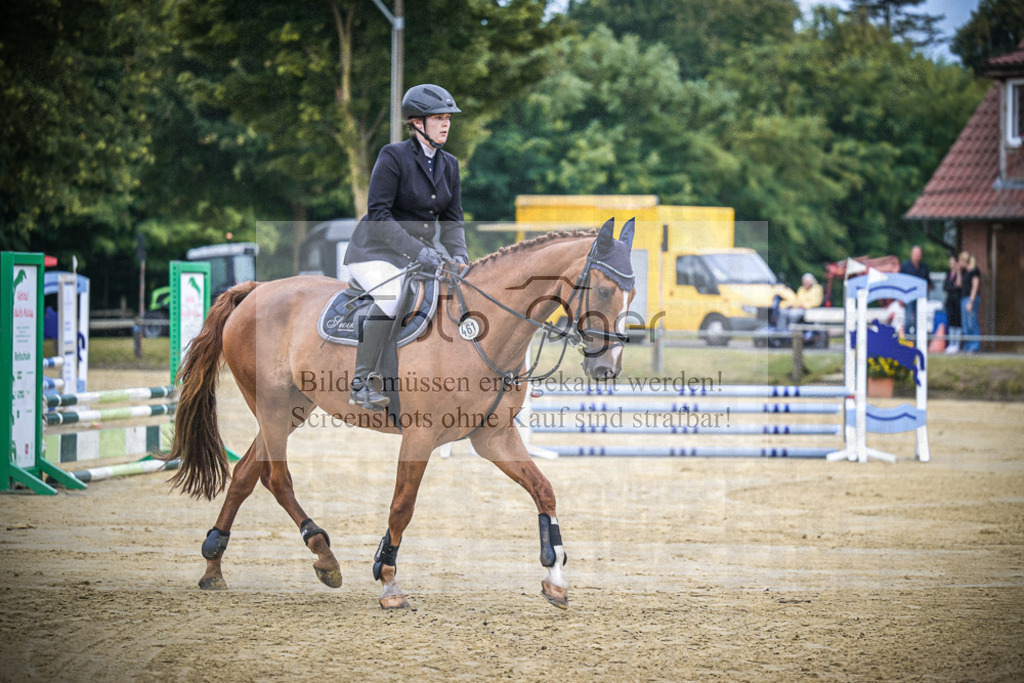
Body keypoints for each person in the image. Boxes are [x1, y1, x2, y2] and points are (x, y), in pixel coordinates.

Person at [342, 84, 470, 410]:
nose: (446, 124)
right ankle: (361, 383)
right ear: (416, 123)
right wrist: (420, 252)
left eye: (448, 119)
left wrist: (459, 256)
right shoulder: (393, 156)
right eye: (438, 118)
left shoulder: (449, 165)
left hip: (418, 257)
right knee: (392, 297)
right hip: (374, 251)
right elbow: (379, 214)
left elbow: (453, 221)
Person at [899, 245, 930, 334]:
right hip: (908, 297)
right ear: (912, 254)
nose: (918, 256)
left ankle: (917, 342)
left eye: (919, 254)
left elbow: (928, 283)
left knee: (919, 321)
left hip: (920, 298)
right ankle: (907, 341)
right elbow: (900, 282)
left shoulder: (924, 267)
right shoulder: (905, 266)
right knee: (908, 320)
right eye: (916, 254)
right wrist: (900, 298)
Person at [959, 251, 981, 353]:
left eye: (960, 260)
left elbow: (975, 286)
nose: (959, 262)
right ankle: (968, 345)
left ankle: (974, 346)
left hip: (971, 299)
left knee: (972, 322)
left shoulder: (974, 270)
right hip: (963, 298)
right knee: (965, 323)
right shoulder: (964, 272)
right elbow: (959, 284)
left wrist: (971, 302)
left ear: (965, 260)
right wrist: (958, 271)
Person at [943, 254, 962, 353]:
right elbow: (945, 287)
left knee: (957, 322)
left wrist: (958, 272)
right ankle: (951, 343)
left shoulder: (960, 274)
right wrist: (953, 287)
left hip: (957, 301)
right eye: (950, 263)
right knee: (950, 323)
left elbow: (959, 285)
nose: (952, 265)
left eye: (953, 263)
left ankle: (957, 344)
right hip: (950, 301)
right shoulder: (948, 274)